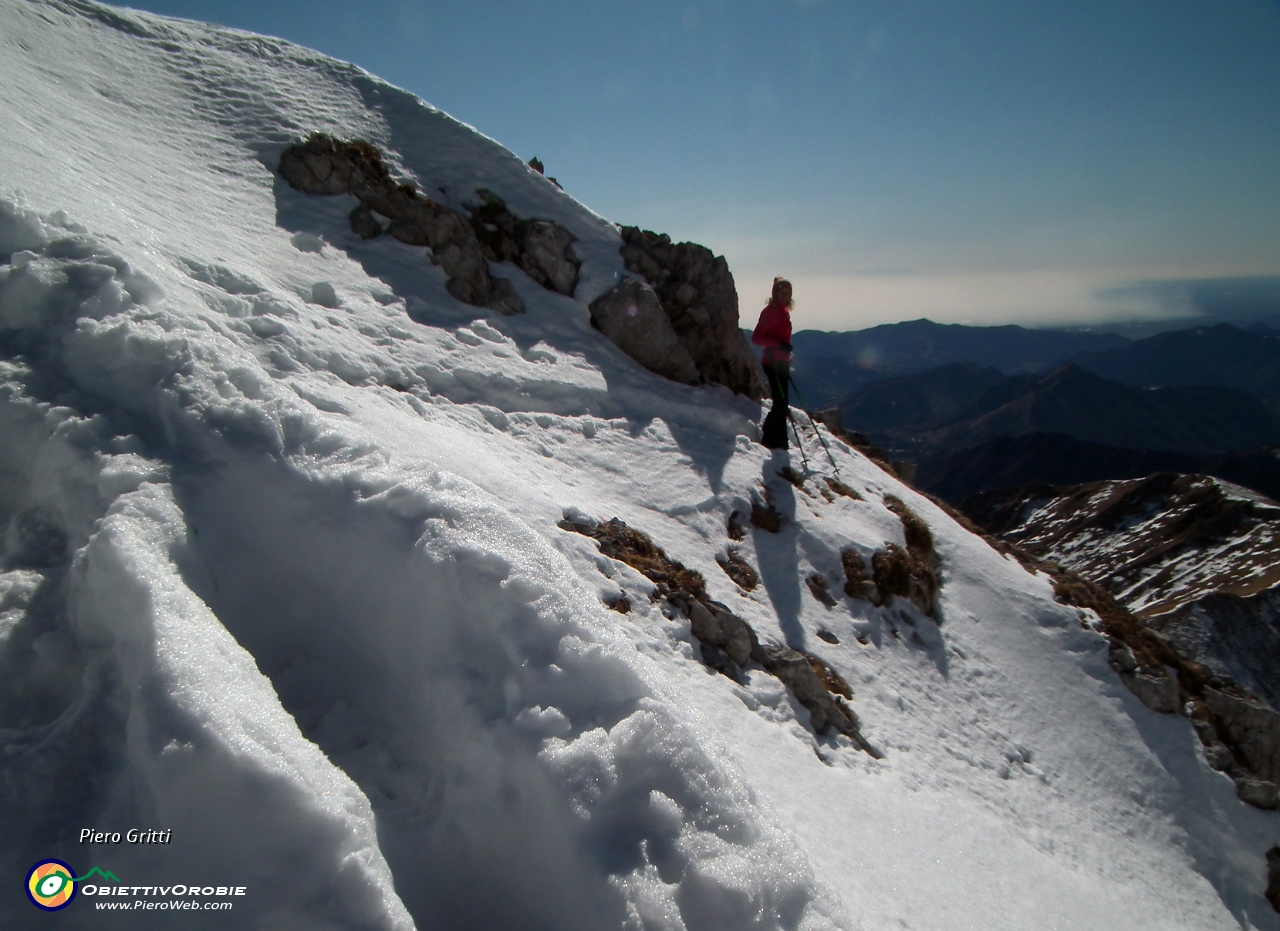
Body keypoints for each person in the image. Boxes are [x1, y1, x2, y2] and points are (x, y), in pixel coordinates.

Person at [751, 277, 794, 450]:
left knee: (782, 402)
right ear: (775, 294)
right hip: (772, 361)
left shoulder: (783, 312)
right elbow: (756, 338)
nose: (785, 296)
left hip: (781, 361)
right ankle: (772, 441)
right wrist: (779, 345)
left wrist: (785, 350)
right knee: (780, 402)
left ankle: (778, 441)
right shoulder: (769, 312)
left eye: (788, 293)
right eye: (782, 293)